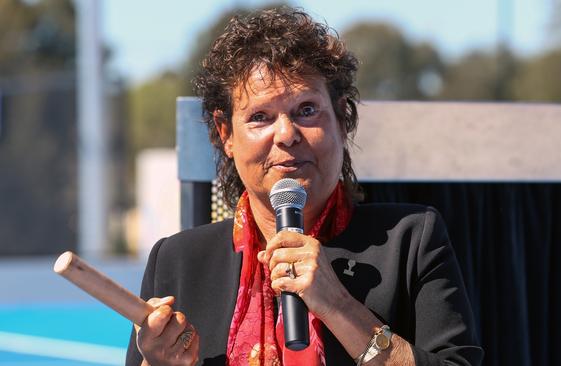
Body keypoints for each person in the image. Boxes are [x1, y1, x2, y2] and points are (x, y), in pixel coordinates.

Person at [126, 7, 483, 366]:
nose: (286, 134)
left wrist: (339, 306)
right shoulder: (177, 260)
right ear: (226, 135)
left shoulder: (411, 240)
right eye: (260, 117)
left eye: (307, 110)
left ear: (342, 120)